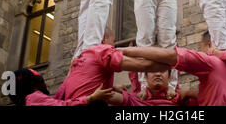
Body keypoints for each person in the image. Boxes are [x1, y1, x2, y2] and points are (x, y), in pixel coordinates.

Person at [12, 27, 171, 106]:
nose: (113, 46)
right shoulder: (102, 51)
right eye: (113, 42)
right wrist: (175, 58)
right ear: (103, 39)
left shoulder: (79, 62)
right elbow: (145, 66)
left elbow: (62, 95)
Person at [118, 31, 226, 106]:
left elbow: (172, 56)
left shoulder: (211, 62)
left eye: (202, 49)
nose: (157, 74)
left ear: (211, 45)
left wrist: (123, 52)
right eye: (152, 72)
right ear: (145, 77)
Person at [9, 68, 113, 106]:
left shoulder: (31, 101)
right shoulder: (34, 98)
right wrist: (91, 98)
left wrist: (69, 74)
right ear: (32, 87)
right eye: (39, 83)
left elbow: (55, 99)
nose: (43, 85)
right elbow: (62, 105)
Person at [107, 70, 197, 106]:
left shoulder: (179, 98)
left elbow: (209, 96)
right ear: (145, 77)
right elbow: (105, 96)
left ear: (170, 76)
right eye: (152, 70)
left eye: (162, 70)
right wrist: (112, 88)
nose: (158, 73)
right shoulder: (135, 98)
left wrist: (187, 92)